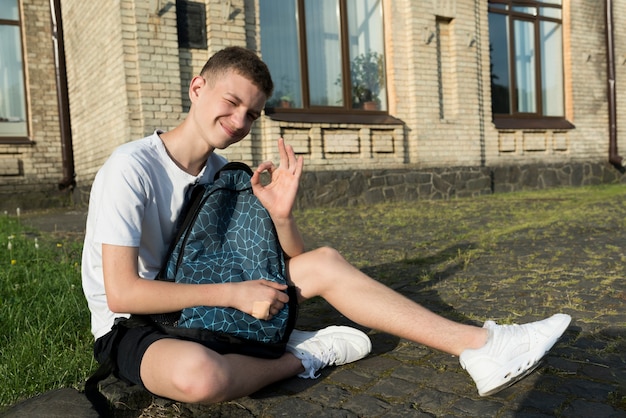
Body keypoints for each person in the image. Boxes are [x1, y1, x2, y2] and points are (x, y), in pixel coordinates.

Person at [82, 46, 571, 404]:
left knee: (325, 263)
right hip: (133, 324)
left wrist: (281, 215)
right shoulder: (132, 168)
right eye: (230, 102)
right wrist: (232, 295)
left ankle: (481, 346)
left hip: (200, 297)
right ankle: (304, 357)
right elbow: (123, 293)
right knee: (199, 379)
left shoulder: (221, 176)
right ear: (197, 87)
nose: (238, 120)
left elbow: (292, 262)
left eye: (251, 114)